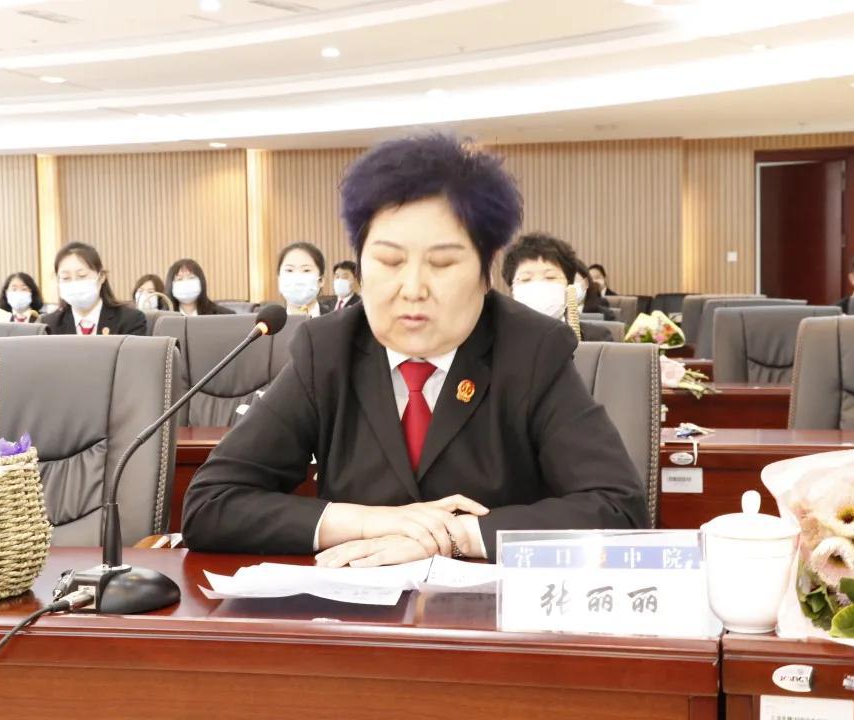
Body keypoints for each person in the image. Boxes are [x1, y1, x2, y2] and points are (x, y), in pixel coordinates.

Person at [183, 134, 648, 566]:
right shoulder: (326, 350)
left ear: (486, 274)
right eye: (389, 261)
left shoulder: (531, 350)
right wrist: (369, 522)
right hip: (354, 610)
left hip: (487, 615)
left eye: (442, 263)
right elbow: (211, 503)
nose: (412, 288)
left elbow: (618, 508)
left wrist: (454, 536)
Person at [502, 234, 613, 342]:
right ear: (512, 289)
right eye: (525, 279)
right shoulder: (498, 342)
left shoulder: (597, 338)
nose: (539, 288)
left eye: (550, 277)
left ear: (568, 286)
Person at [39, 242, 146, 336]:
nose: (74, 283)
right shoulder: (48, 325)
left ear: (101, 277)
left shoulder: (130, 319)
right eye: (66, 278)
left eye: (82, 276)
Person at [165, 259, 234, 316]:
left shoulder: (224, 315)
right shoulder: (163, 318)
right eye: (179, 279)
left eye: (191, 278)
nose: (186, 283)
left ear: (201, 282)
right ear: (171, 285)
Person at [278, 241, 327, 317]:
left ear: (321, 280)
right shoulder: (268, 323)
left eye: (306, 270)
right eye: (289, 270)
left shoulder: (338, 322)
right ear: (279, 279)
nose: (297, 278)